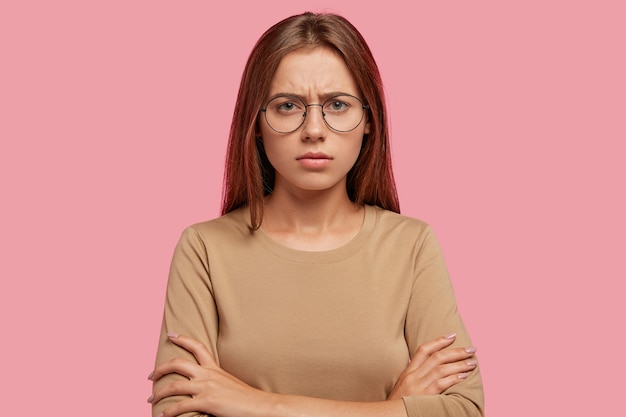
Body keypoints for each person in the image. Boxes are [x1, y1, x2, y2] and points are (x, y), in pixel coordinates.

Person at [148, 11, 484, 417]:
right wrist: (395, 408)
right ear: (256, 123)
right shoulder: (204, 249)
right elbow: (180, 412)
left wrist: (253, 403)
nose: (313, 129)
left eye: (337, 105)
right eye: (287, 105)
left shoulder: (411, 245)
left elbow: (463, 410)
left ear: (368, 121)